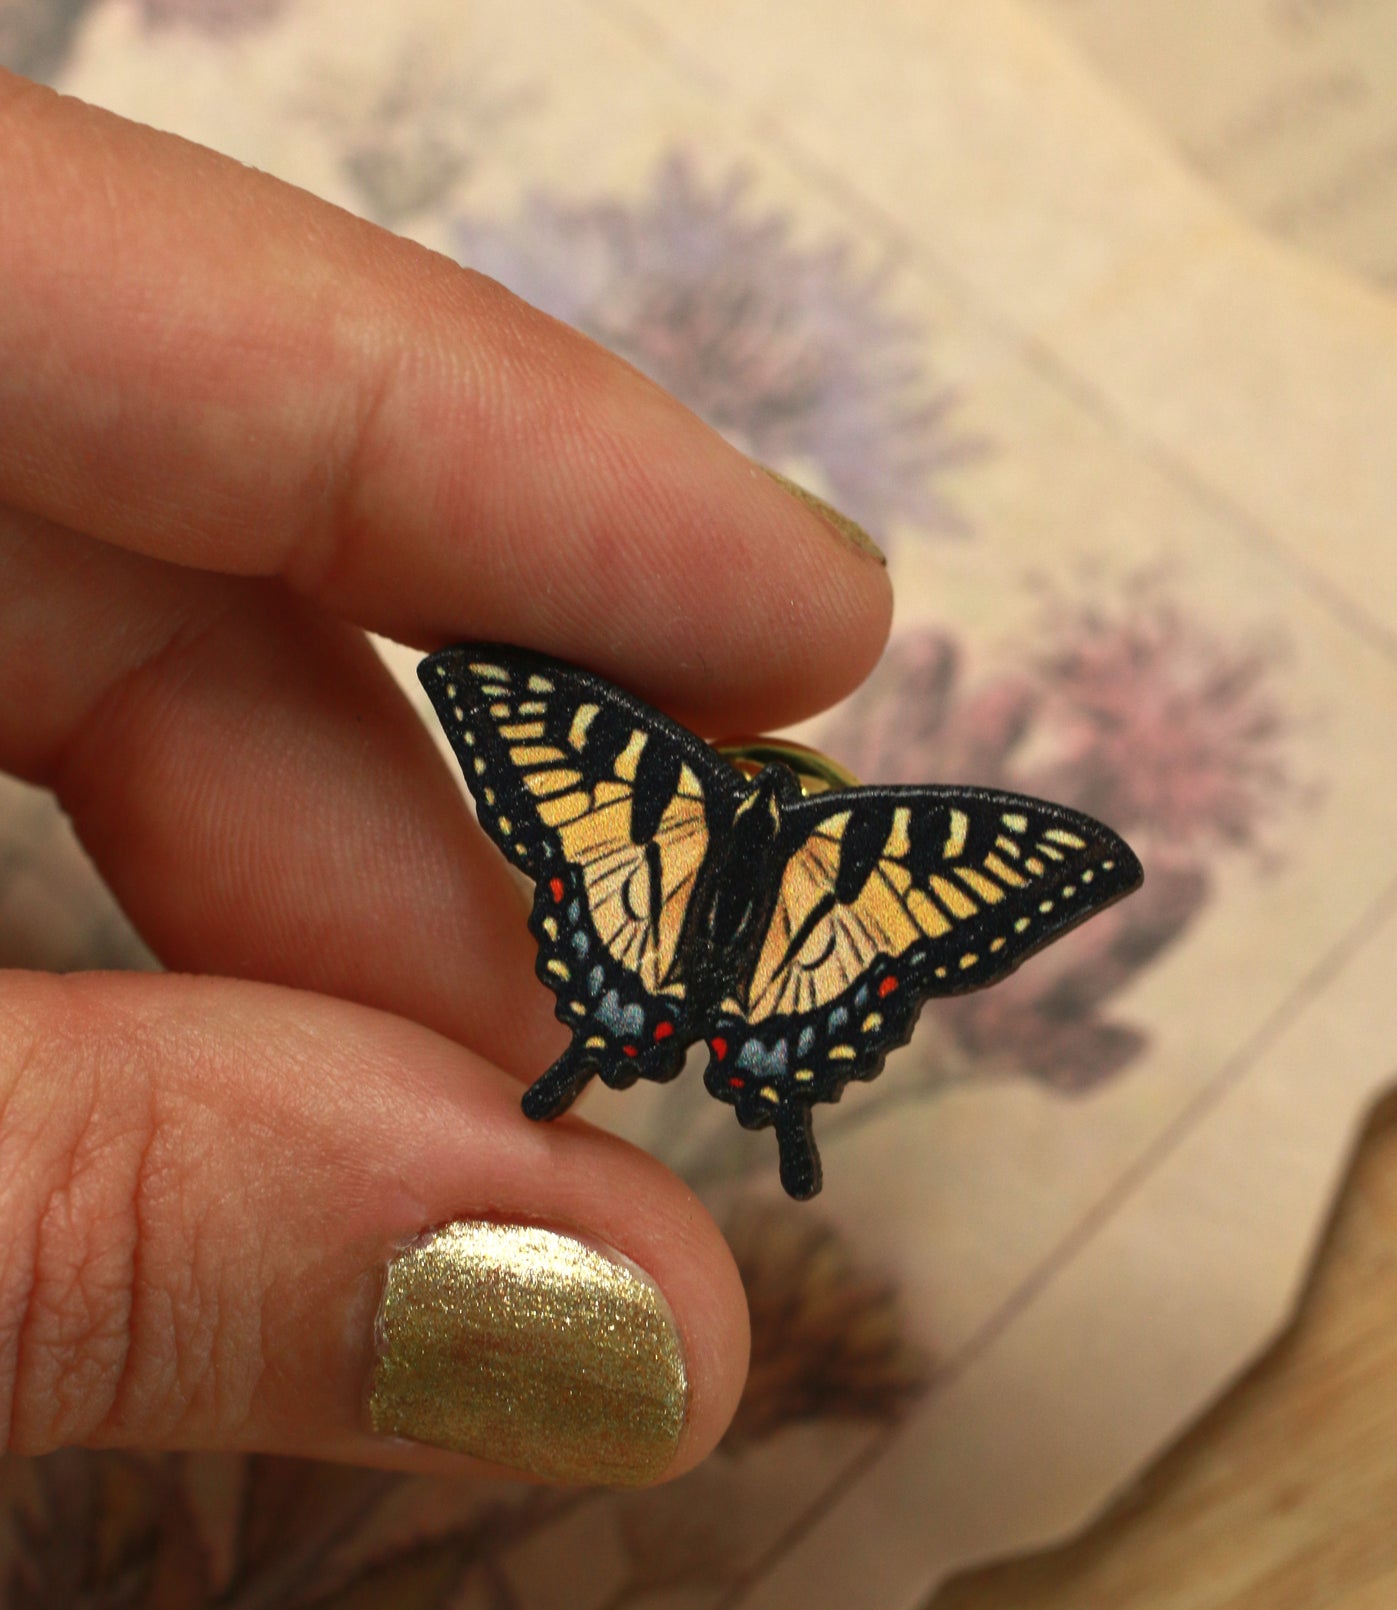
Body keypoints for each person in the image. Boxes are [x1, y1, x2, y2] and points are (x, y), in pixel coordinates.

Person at [0, 68, 891, 1482]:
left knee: (581, 1027)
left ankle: (718, 1073)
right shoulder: (856, 858)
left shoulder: (660, 796)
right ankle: (753, 1090)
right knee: (604, 1030)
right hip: (741, 938)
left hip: (649, 915)